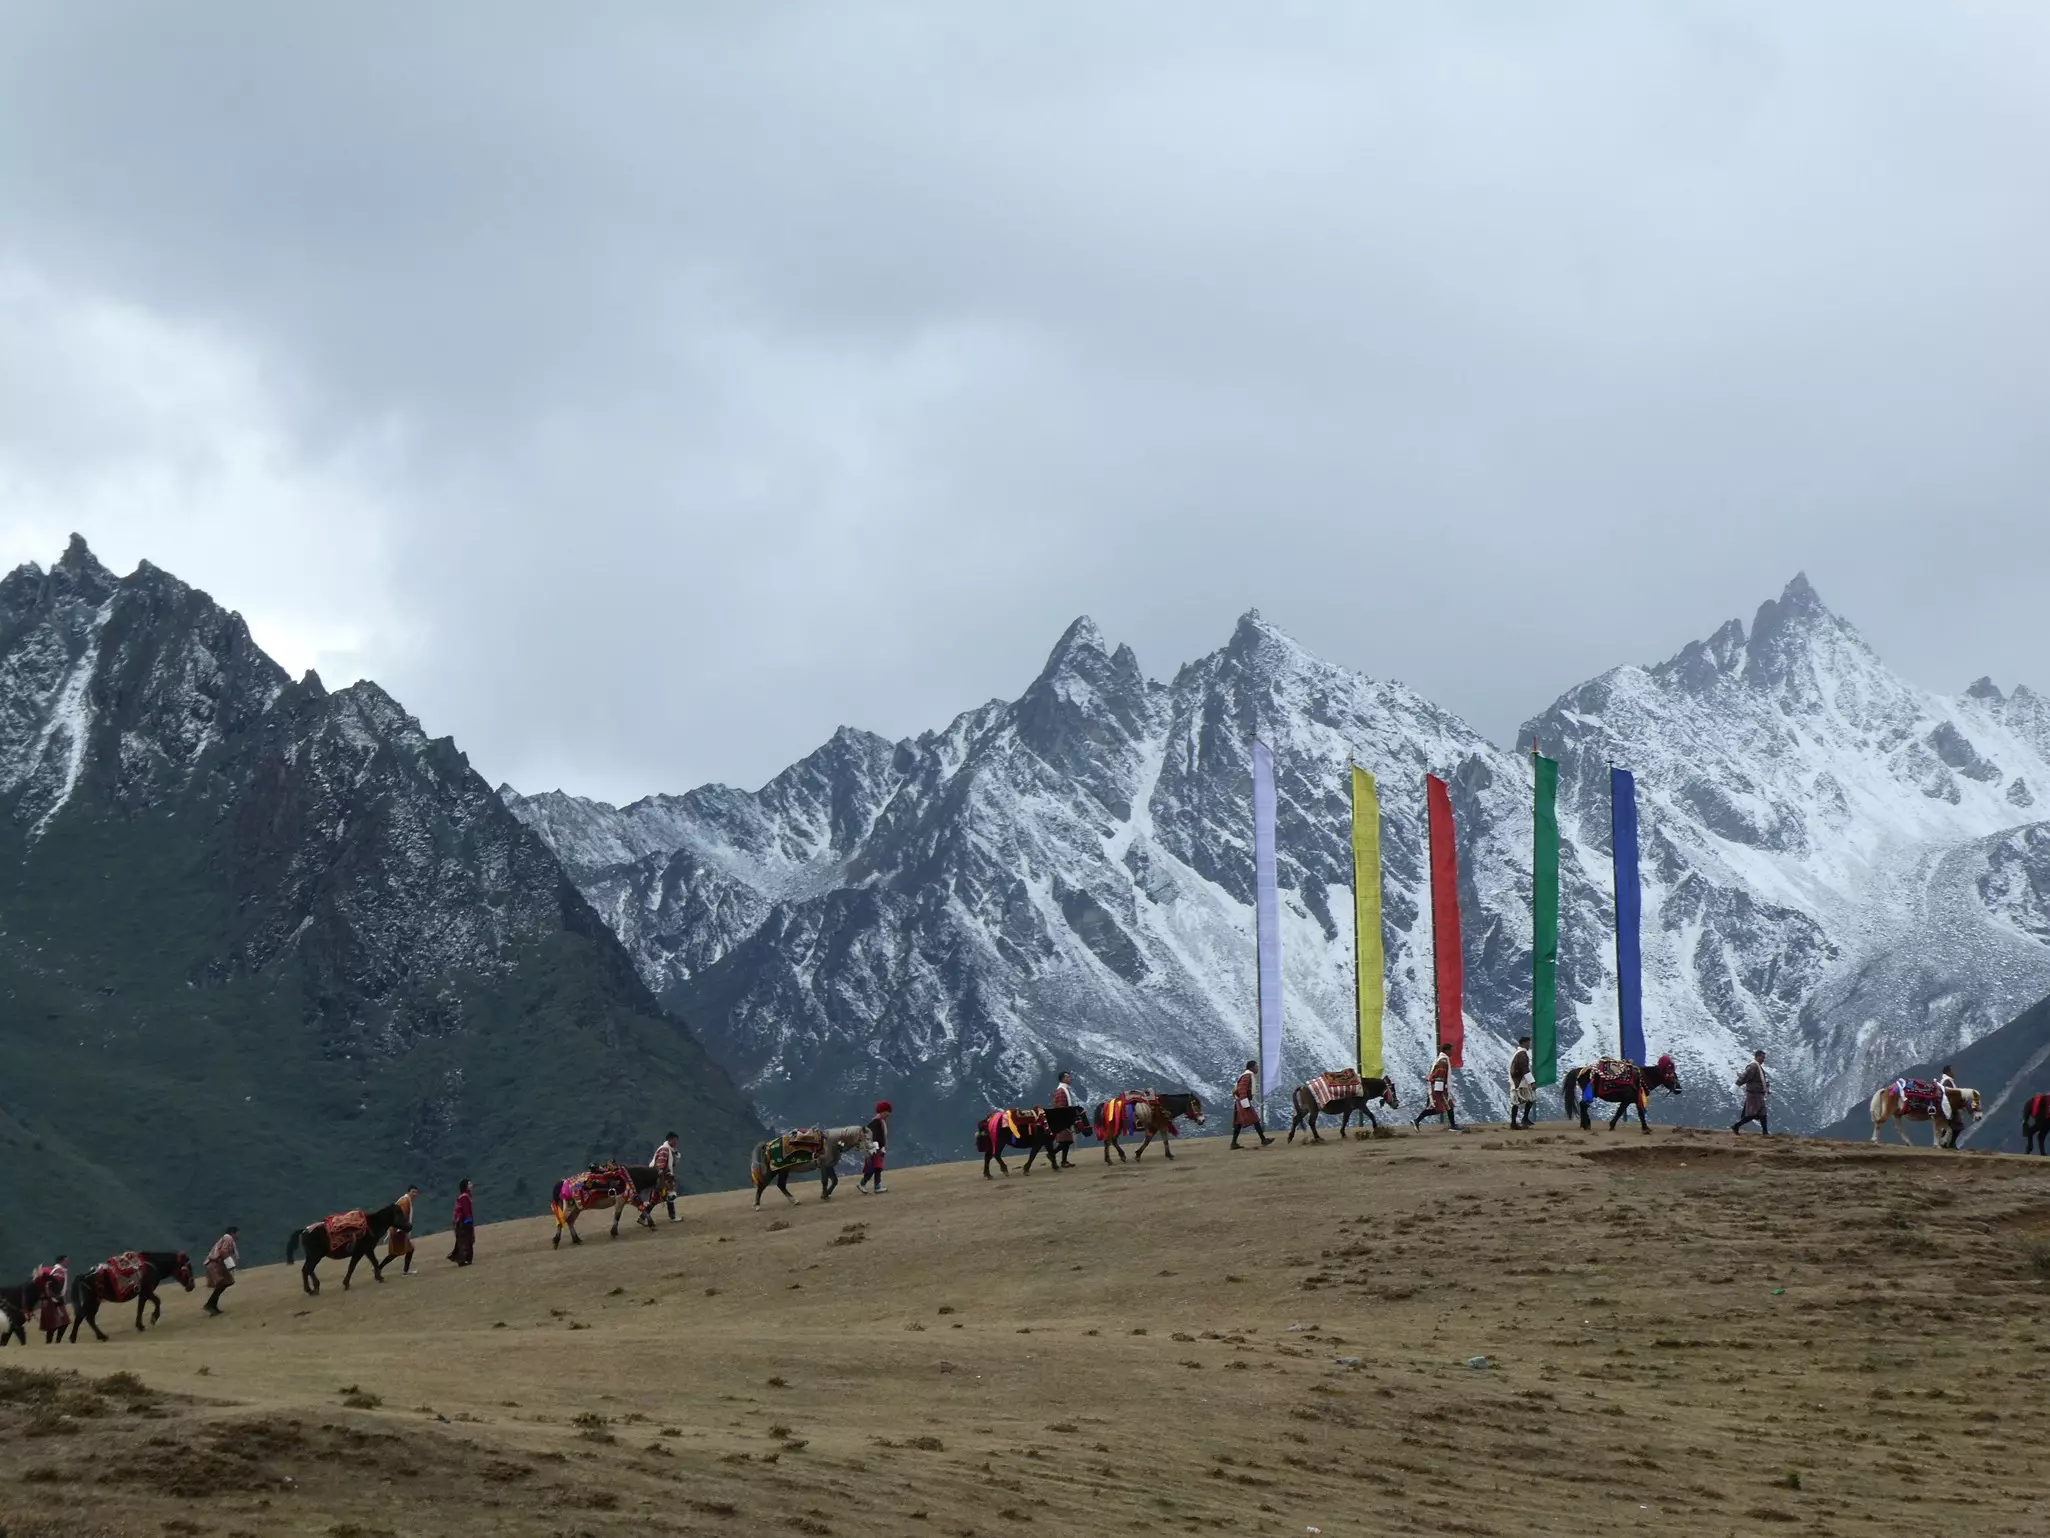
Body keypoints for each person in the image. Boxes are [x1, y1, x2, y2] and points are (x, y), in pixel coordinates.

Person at [1414, 1043, 1462, 1132]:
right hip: (1439, 1088)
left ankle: (1417, 1120)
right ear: (1447, 1050)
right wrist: (1439, 1089)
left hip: (1438, 1087)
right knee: (1444, 1106)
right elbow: (1440, 1075)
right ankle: (1453, 1125)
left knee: (1445, 1106)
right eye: (1451, 1050)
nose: (1452, 1052)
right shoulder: (1443, 1062)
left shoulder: (1441, 1060)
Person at [1230, 1060, 1272, 1149]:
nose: (1257, 1068)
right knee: (1255, 1120)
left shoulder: (1247, 1075)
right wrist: (1245, 1103)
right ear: (1252, 1067)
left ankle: (1233, 1143)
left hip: (1240, 1101)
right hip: (1243, 1101)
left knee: (1238, 1123)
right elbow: (1242, 1089)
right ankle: (1263, 1139)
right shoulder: (1247, 1076)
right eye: (1256, 1067)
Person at [31, 1255, 69, 1343]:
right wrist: (54, 1297)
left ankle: (54, 1342)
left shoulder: (58, 1270)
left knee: (60, 1323)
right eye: (66, 1261)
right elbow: (52, 1284)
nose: (68, 1262)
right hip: (51, 1300)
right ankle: (52, 1342)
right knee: (54, 1324)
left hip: (52, 1299)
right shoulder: (58, 1271)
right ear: (61, 1261)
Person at [202, 1227, 240, 1315]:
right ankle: (210, 1305)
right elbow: (223, 1251)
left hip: (217, 1263)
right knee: (222, 1283)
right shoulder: (228, 1238)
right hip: (214, 1263)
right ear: (233, 1233)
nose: (238, 1236)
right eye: (237, 1233)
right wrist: (230, 1264)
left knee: (226, 1282)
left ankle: (212, 1305)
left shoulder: (227, 1239)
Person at [1733, 1050, 1770, 1135]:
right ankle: (1736, 1126)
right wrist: (1736, 1086)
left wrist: (1766, 1086)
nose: (1763, 1059)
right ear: (1757, 1057)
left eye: (1764, 1058)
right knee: (1753, 1114)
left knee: (1762, 1112)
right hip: (1753, 1094)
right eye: (1762, 1057)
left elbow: (1759, 1080)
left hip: (1758, 1094)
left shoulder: (1758, 1067)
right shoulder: (1753, 1066)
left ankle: (1765, 1132)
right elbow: (1745, 1077)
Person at [858, 1101, 892, 1193]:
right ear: (882, 1111)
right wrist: (878, 1147)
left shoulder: (880, 1121)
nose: (888, 1114)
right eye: (886, 1111)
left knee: (878, 1168)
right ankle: (862, 1183)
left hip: (877, 1149)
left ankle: (877, 1186)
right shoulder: (877, 1121)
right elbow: (875, 1136)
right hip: (874, 1149)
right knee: (872, 1168)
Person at [387, 1185, 420, 1276]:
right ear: (409, 1191)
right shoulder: (405, 1201)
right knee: (396, 1252)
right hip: (398, 1230)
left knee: (405, 1250)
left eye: (416, 1192)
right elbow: (402, 1217)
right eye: (413, 1192)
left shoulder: (406, 1200)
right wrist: (403, 1230)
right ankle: (378, 1267)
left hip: (398, 1229)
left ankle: (405, 1271)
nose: (415, 1194)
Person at [1051, 1071, 1080, 1168]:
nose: (1069, 1078)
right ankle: (1054, 1155)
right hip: (1062, 1119)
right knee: (1065, 1141)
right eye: (1067, 1077)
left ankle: (1063, 1160)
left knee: (1066, 1141)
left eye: (1069, 1077)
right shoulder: (1061, 1091)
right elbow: (1060, 1106)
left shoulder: (1064, 1089)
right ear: (1062, 1079)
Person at [1508, 1035, 1537, 1130]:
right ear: (1524, 1043)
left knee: (1525, 1099)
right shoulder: (1522, 1054)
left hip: (1517, 1080)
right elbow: (1524, 1069)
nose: (1529, 1045)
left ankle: (1519, 1120)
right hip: (1519, 1081)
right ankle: (1517, 1122)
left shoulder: (1517, 1053)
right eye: (1528, 1043)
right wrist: (1532, 1082)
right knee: (1524, 1099)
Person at [649, 1132, 681, 1221]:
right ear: (670, 1139)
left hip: (663, 1177)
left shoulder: (670, 1150)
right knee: (670, 1196)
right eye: (674, 1140)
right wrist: (662, 1179)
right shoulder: (665, 1150)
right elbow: (660, 1165)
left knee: (657, 1198)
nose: (676, 1142)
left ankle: (643, 1217)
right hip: (662, 1178)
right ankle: (673, 1217)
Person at [448, 1180, 476, 1266]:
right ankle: (464, 1259)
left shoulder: (466, 1196)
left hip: (463, 1222)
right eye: (469, 1184)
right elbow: (466, 1211)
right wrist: (468, 1223)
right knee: (465, 1241)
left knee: (465, 1241)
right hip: (463, 1222)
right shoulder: (464, 1197)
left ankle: (465, 1259)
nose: (471, 1185)